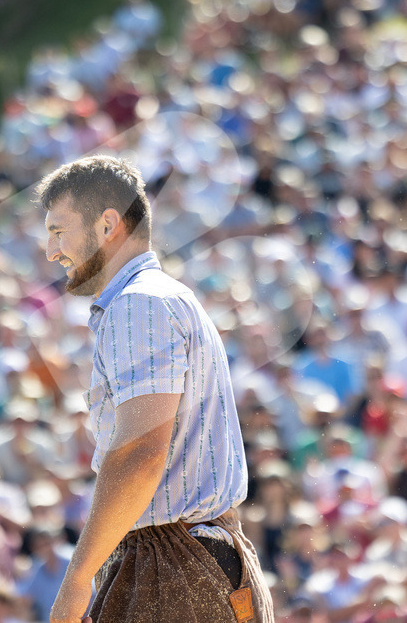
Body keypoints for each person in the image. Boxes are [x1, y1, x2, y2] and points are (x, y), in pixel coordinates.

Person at [37, 155, 272, 621]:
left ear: (108, 225)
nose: (51, 251)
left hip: (173, 566)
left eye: (59, 231)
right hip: (187, 560)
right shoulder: (155, 298)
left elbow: (140, 453)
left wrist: (77, 581)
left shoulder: (138, 304)